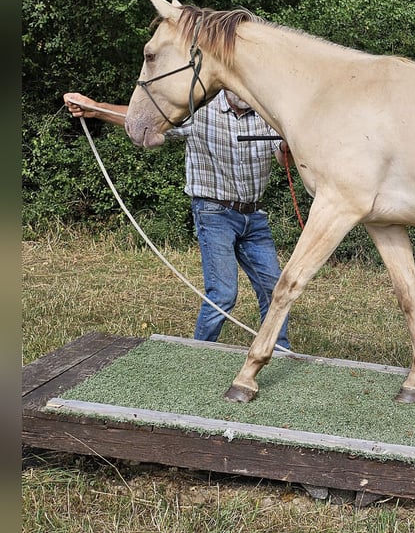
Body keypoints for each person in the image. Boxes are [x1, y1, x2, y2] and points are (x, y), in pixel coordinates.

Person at [64, 89, 291, 349]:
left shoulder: (266, 112)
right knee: (223, 295)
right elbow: (146, 120)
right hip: (213, 213)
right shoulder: (199, 109)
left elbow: (284, 158)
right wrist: (95, 108)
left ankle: (278, 350)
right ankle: (196, 354)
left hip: (255, 216)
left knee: (276, 291)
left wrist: (289, 146)